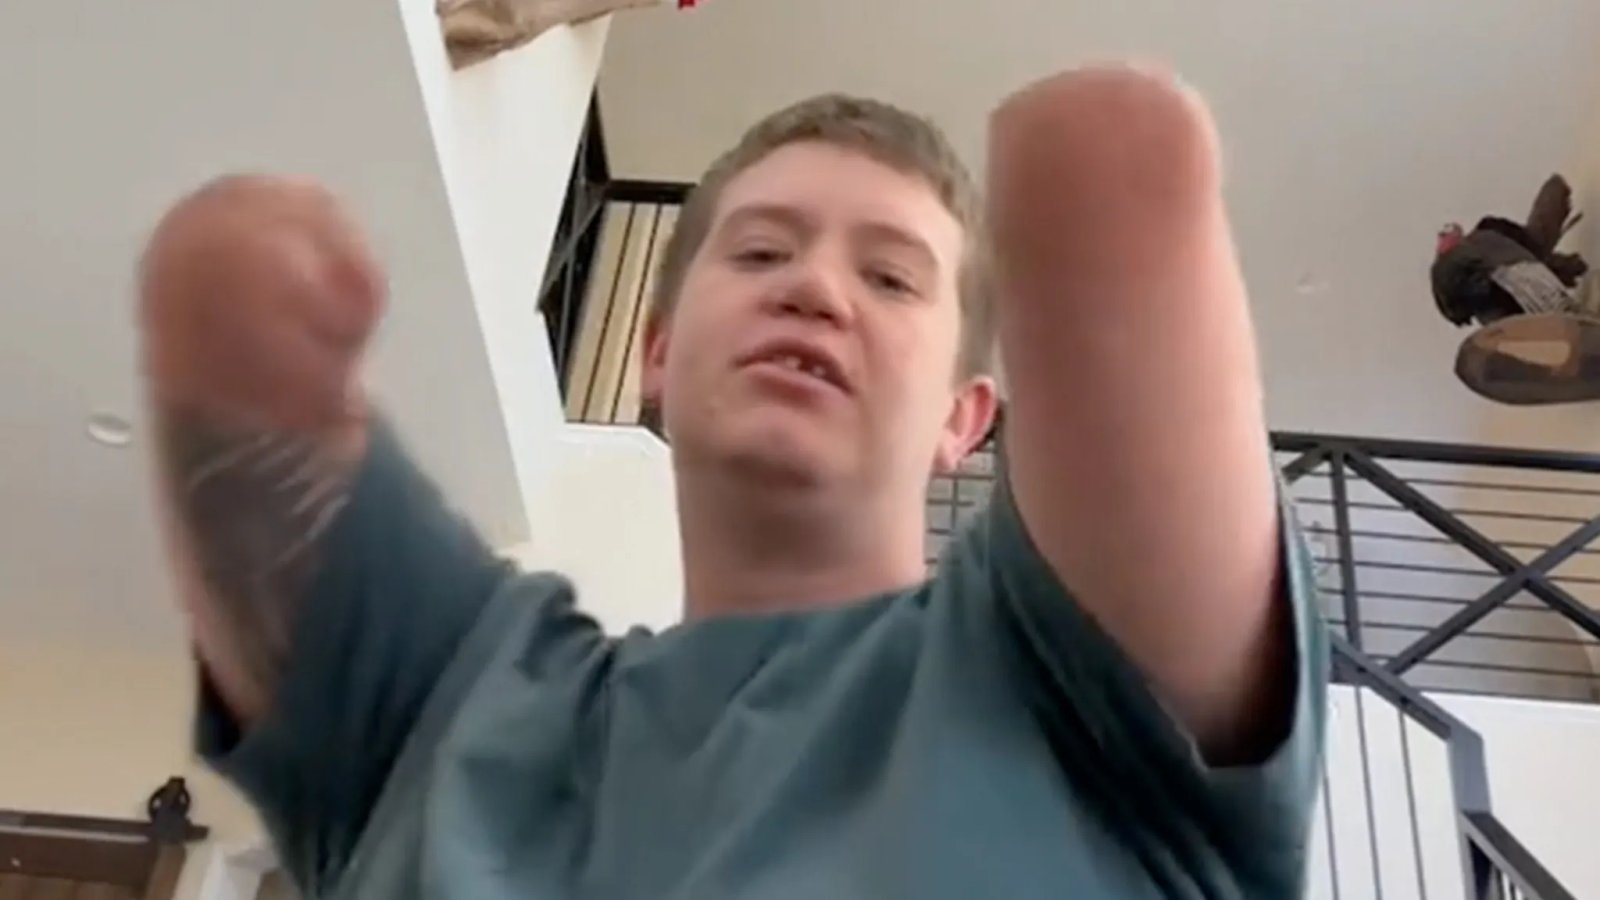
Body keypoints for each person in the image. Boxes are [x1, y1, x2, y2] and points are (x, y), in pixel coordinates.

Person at [139, 66, 1327, 898]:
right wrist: (242, 303)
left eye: (891, 278)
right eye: (760, 251)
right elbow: (226, 316)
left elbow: (1115, 163)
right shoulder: (453, 709)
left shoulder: (1069, 697)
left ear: (963, 420)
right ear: (654, 354)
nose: (813, 290)